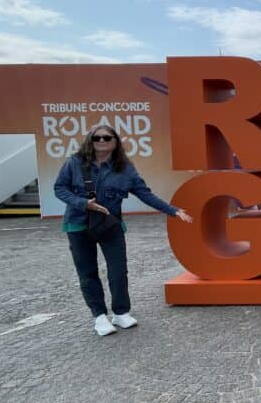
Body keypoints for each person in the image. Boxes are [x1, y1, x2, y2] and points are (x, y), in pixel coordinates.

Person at [54, 124, 193, 337]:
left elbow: (145, 193)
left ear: (115, 142)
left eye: (107, 138)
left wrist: (172, 211)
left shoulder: (124, 168)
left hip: (111, 225)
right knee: (87, 272)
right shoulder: (74, 163)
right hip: (78, 224)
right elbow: (60, 188)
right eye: (96, 138)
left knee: (118, 270)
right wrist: (83, 203)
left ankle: (120, 312)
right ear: (89, 141)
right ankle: (99, 316)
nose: (101, 141)